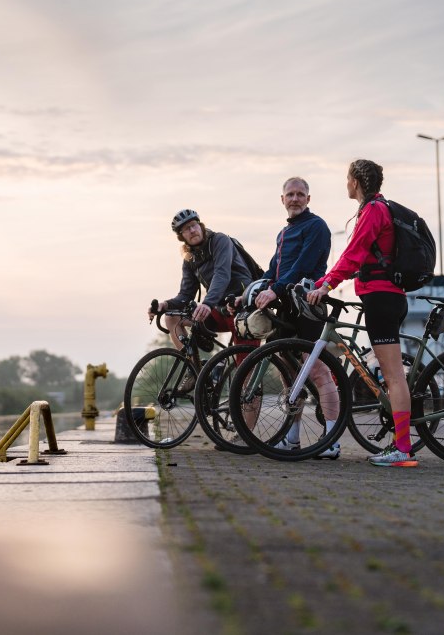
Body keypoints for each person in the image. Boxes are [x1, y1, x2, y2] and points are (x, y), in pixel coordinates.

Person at [306, 159, 417, 467]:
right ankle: (402, 443)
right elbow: (353, 255)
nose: (346, 184)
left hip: (382, 297)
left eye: (347, 179)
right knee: (392, 375)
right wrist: (321, 282)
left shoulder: (373, 211)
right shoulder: (377, 209)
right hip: (381, 296)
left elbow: (353, 254)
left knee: (394, 377)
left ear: (356, 182)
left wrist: (327, 285)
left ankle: (403, 449)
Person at [234, 177, 342, 459]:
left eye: (300, 194)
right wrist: (248, 293)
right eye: (290, 195)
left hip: (308, 304)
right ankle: (292, 438)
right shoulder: (283, 233)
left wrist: (276, 289)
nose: (295, 199)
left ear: (308, 198)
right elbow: (272, 271)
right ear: (282, 199)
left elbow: (304, 266)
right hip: (284, 308)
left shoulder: (316, 226)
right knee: (289, 377)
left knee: (316, 371)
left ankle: (331, 440)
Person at [149, 209, 255, 386]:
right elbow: (185, 295)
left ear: (200, 225)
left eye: (193, 225)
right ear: (181, 236)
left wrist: (206, 303)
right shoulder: (189, 258)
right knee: (172, 317)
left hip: (241, 309)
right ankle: (194, 369)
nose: (191, 231)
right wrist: (164, 305)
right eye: (185, 230)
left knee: (246, 377)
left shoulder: (220, 240)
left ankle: (242, 406)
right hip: (218, 311)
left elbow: (222, 274)